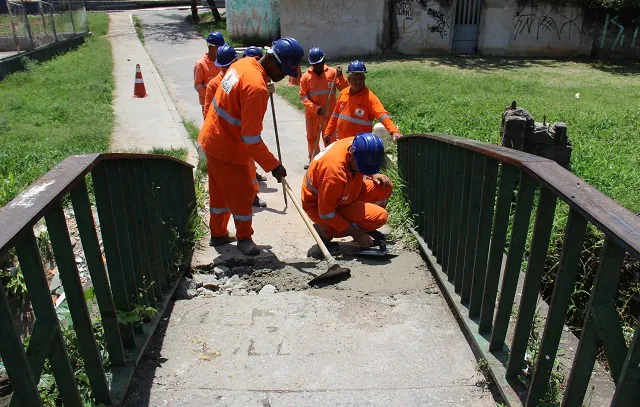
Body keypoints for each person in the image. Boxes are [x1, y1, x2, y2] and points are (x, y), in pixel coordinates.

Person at [198, 37, 304, 255]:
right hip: (227, 146)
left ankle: (218, 234)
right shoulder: (256, 88)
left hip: (211, 138)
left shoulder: (242, 64)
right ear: (273, 61)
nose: (284, 76)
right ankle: (244, 238)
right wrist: (274, 166)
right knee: (243, 193)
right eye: (284, 71)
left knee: (218, 192)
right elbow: (251, 138)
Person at [301, 132, 392, 251]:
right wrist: (357, 234)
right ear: (351, 155)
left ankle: (362, 225)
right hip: (320, 207)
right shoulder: (333, 173)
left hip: (347, 190)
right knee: (380, 217)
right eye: (362, 166)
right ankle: (326, 230)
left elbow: (362, 162)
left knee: (385, 186)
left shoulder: (358, 144)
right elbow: (326, 213)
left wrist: (372, 173)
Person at [323, 60, 403, 145]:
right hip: (342, 142)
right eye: (355, 79)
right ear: (349, 80)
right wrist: (328, 131)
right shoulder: (343, 93)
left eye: (360, 78)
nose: (358, 82)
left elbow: (382, 114)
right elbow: (335, 115)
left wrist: (394, 131)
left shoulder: (370, 98)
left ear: (364, 79)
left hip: (361, 145)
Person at [299, 47, 348, 169]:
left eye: (320, 64)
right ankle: (314, 162)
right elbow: (303, 97)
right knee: (312, 139)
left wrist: (340, 76)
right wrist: (316, 109)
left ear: (324, 61)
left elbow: (344, 88)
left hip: (330, 116)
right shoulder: (305, 78)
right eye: (315, 65)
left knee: (330, 140)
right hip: (313, 116)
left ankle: (331, 162)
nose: (318, 67)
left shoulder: (332, 73)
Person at [194, 32, 225, 118]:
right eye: (218, 47)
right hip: (208, 103)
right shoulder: (200, 64)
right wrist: (211, 98)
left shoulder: (221, 61)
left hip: (222, 103)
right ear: (211, 47)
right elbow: (198, 85)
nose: (220, 49)